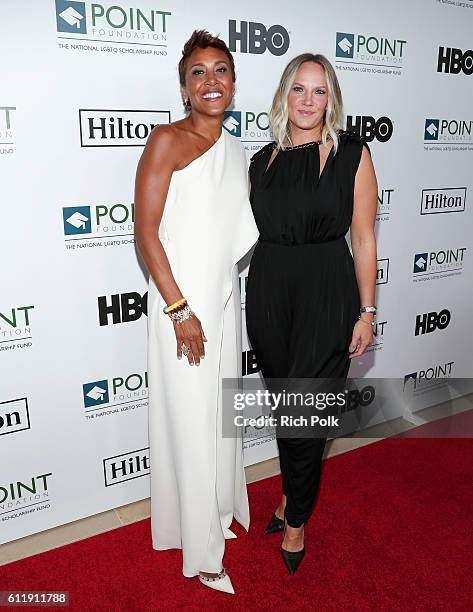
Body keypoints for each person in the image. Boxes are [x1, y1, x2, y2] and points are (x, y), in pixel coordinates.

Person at [134, 30, 258, 594]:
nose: (211, 81)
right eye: (198, 73)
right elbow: (145, 230)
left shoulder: (238, 153)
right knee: (190, 418)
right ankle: (201, 552)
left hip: (225, 301)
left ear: (233, 82)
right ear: (184, 89)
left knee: (220, 419)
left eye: (221, 70)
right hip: (179, 305)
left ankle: (214, 512)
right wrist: (181, 309)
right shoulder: (166, 140)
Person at [245, 53, 378, 575]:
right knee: (288, 408)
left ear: (331, 99)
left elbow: (364, 238)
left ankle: (295, 516)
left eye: (318, 91)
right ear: (284, 95)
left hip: (327, 290)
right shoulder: (262, 161)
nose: (307, 100)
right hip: (271, 293)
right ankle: (287, 497)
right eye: (298, 89)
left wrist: (367, 311)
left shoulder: (352, 155)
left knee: (309, 413)